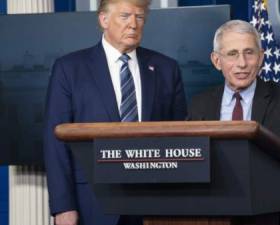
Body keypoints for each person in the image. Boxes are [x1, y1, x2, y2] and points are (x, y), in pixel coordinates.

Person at [43, 0, 187, 225]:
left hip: (155, 205)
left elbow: (181, 140)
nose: (133, 24)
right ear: (104, 20)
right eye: (125, 16)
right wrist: (63, 206)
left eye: (139, 17)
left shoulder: (167, 69)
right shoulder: (69, 69)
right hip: (92, 204)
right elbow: (55, 144)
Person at [188, 20, 280, 225]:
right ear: (216, 60)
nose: (242, 63)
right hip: (222, 215)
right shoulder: (200, 105)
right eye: (232, 54)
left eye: (249, 53)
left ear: (261, 58)